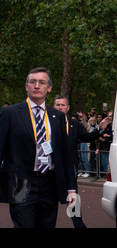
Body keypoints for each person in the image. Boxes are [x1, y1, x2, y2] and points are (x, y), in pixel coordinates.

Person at [0, 67, 77, 228]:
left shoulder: (58, 117)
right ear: (26, 86)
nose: (36, 86)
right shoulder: (10, 113)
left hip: (50, 183)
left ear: (49, 88)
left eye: (41, 82)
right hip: (20, 182)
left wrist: (71, 188)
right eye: (32, 82)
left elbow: (65, 155)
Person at [53, 95, 112, 228]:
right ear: (53, 107)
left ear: (67, 108)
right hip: (52, 167)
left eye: (63, 105)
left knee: (72, 196)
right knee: (49, 197)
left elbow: (87, 137)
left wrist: (100, 129)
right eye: (57, 105)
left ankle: (79, 224)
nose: (60, 107)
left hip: (70, 167)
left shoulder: (74, 124)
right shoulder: (48, 123)